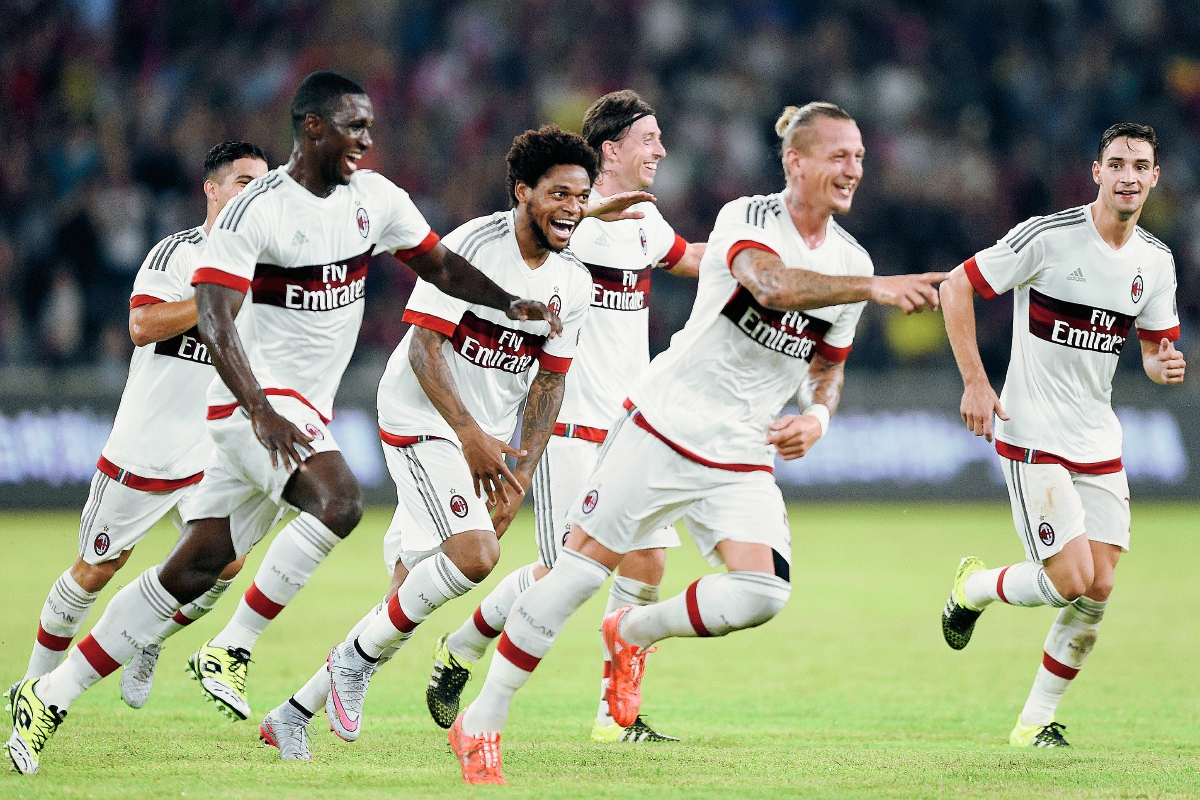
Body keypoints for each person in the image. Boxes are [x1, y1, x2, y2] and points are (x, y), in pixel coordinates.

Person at [5, 70, 559, 776]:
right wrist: (259, 408)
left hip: (297, 413)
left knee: (193, 570)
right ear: (312, 129)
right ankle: (274, 653)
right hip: (253, 411)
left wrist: (511, 304)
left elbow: (443, 266)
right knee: (341, 500)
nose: (366, 138)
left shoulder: (375, 200)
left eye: (370, 126)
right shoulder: (255, 212)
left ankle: (50, 693)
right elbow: (211, 314)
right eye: (352, 125)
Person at [446, 102, 946, 785]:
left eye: (859, 155)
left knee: (762, 591)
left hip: (742, 448)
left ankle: (631, 633)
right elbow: (770, 285)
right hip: (664, 423)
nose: (853, 167)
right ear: (796, 162)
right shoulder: (750, 218)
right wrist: (875, 286)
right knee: (579, 573)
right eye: (839, 154)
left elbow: (827, 368)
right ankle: (482, 718)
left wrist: (818, 417)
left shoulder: (852, 261)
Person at [258, 125, 594, 761]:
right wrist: (467, 434)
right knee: (475, 555)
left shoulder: (573, 282)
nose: (572, 208)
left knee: (407, 594)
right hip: (423, 414)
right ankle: (349, 664)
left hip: (485, 436)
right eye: (558, 193)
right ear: (524, 192)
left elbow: (550, 384)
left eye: (581, 195)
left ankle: (291, 713)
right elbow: (423, 345)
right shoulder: (473, 246)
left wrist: (519, 474)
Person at [426, 90, 704, 745]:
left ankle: (615, 718)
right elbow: (515, 241)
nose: (661, 151)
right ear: (612, 149)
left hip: (634, 423)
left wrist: (760, 263)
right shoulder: (563, 224)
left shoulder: (644, 223)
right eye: (650, 139)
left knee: (647, 565)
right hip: (571, 419)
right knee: (569, 570)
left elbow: (693, 259)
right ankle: (465, 646)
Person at [939, 122, 1184, 748]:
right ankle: (974, 588)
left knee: (1098, 589)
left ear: (1155, 178)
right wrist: (974, 382)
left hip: (1098, 436)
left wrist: (1163, 366)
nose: (1129, 176)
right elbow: (956, 285)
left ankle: (1034, 724)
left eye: (1141, 166)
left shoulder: (1155, 262)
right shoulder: (1049, 238)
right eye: (1118, 164)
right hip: (1032, 430)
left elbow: (1155, 350)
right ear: (1096, 173)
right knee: (1070, 581)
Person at [21, 141, 268, 710]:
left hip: (212, 450)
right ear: (212, 188)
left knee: (222, 562)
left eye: (262, 184)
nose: (252, 194)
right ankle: (32, 684)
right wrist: (214, 301)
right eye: (242, 182)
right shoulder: (179, 253)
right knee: (96, 570)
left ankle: (148, 637)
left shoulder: (268, 271)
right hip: (147, 447)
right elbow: (141, 325)